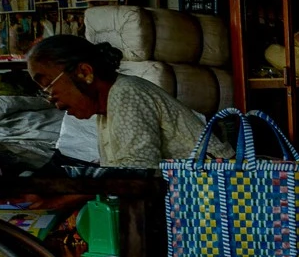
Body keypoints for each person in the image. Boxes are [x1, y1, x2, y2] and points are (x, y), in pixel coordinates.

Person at [26, 34, 207, 169]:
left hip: (211, 193)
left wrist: (66, 199)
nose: (50, 98)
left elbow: (138, 174)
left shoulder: (127, 93)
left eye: (49, 85)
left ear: (84, 72)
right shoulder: (106, 108)